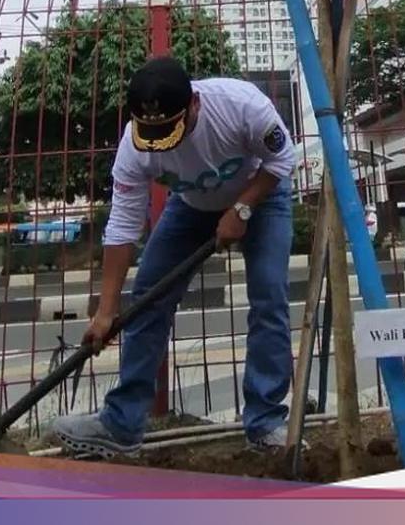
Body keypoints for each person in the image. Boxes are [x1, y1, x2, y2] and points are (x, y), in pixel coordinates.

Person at [51, 57, 297, 457]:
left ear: (195, 104)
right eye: (152, 134)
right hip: (190, 205)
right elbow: (123, 225)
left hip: (261, 195)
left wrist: (242, 208)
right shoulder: (134, 147)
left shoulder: (241, 106)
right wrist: (106, 311)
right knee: (148, 299)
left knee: (269, 298)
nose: (162, 143)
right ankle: (122, 425)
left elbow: (282, 159)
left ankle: (266, 422)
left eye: (171, 130)